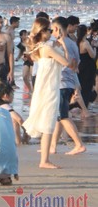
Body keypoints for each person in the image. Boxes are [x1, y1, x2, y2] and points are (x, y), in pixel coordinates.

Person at [22, 17, 73, 169]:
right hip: (49, 88)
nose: (51, 33)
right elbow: (67, 62)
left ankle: (45, 159)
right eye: (49, 30)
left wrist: (56, 45)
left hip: (43, 87)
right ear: (42, 31)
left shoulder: (39, 47)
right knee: (48, 123)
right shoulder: (47, 48)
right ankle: (44, 160)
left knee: (47, 123)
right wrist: (63, 46)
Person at [50, 17, 86, 156]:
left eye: (53, 29)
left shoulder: (59, 43)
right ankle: (52, 145)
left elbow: (65, 62)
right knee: (60, 114)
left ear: (58, 29)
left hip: (62, 82)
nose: (52, 32)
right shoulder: (72, 43)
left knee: (63, 115)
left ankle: (79, 144)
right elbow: (76, 63)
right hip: (69, 81)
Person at [75, 24, 96, 109]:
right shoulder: (85, 43)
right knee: (88, 87)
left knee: (82, 86)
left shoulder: (76, 42)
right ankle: (85, 106)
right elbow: (93, 55)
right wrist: (94, 47)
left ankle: (80, 105)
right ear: (85, 32)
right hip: (88, 67)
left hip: (80, 66)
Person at [15, 29, 33, 96]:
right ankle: (30, 89)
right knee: (24, 76)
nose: (26, 36)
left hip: (32, 60)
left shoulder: (30, 42)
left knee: (32, 76)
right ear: (21, 36)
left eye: (26, 34)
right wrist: (17, 58)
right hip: (26, 61)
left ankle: (34, 90)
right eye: (24, 34)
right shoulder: (21, 44)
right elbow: (21, 52)